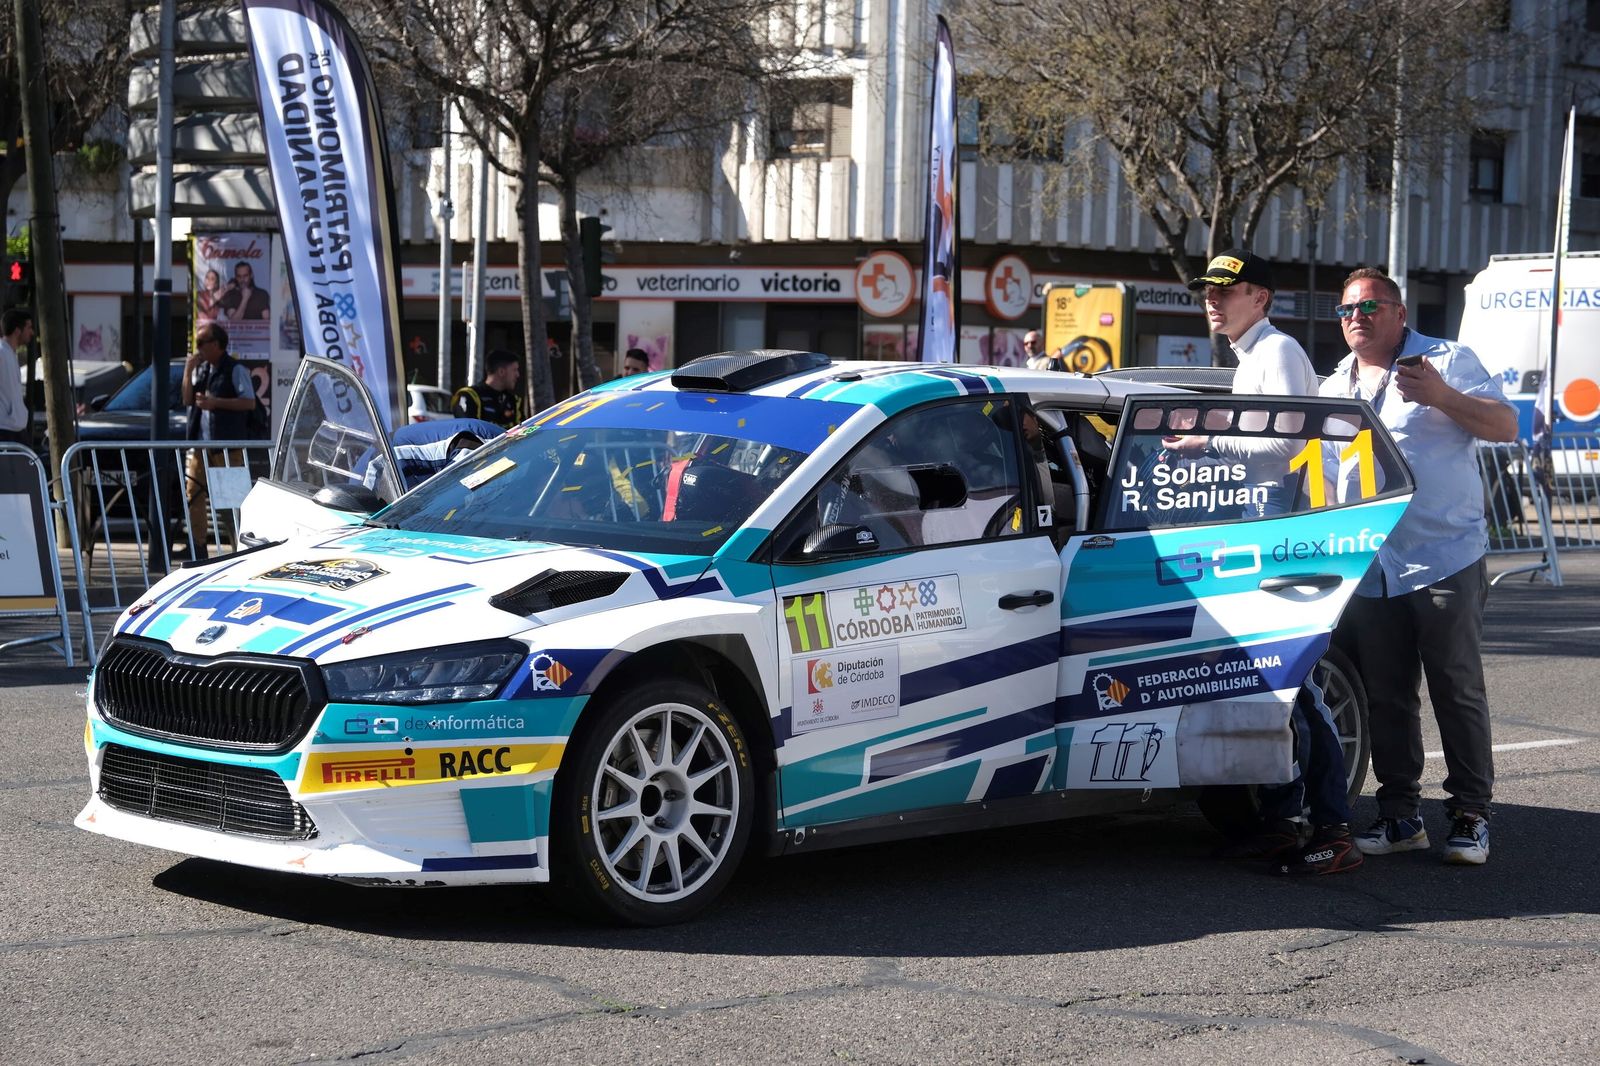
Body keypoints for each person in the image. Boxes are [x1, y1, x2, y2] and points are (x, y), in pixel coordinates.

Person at [1164, 249, 1358, 875]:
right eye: (1208, 290)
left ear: (1262, 298)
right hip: (1252, 537)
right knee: (1264, 686)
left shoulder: (1277, 353)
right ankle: (1281, 820)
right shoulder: (1251, 359)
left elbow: (1284, 444)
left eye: (1228, 290)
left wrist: (1208, 440)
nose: (1213, 300)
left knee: (1297, 686)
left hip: (1283, 541)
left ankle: (1332, 826)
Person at [1321, 266, 1516, 866]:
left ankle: (1470, 814)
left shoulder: (1446, 360)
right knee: (1386, 695)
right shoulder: (1334, 388)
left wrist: (1442, 397)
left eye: (1371, 307)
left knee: (1455, 686)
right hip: (1373, 563)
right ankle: (1401, 815)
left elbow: (1506, 426)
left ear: (1400, 314)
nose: (1358, 317)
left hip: (1444, 556)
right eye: (1348, 310)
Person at [182, 324, 262, 558]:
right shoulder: (203, 369)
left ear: (216, 344)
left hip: (227, 448)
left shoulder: (235, 370)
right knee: (193, 495)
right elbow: (187, 399)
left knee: (231, 501)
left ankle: (239, 550)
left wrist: (215, 403)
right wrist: (188, 370)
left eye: (201, 343)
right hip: (201, 446)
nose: (198, 349)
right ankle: (198, 549)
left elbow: (249, 403)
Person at [452, 348, 525, 428]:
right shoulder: (468, 396)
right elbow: (467, 432)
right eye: (515, 370)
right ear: (501, 372)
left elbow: (523, 432)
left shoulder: (514, 400)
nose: (518, 375)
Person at [0, 309, 35, 446]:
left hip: (15, 429)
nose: (31, 332)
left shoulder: (10, 353)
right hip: (5, 430)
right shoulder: (2, 353)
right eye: (29, 327)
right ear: (17, 330)